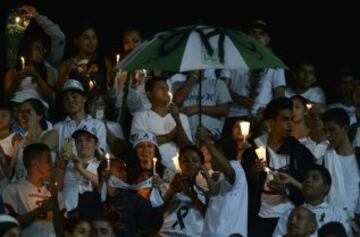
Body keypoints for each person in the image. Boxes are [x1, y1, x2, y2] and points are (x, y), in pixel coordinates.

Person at [241, 97, 314, 237]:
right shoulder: (253, 151)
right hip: (258, 218)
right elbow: (240, 186)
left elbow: (308, 189)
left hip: (289, 219)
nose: (290, 125)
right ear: (271, 122)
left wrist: (286, 190)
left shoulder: (300, 152)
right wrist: (252, 174)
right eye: (285, 120)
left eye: (292, 119)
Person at [220, 20, 286, 138]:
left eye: (262, 34)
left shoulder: (274, 62)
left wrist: (268, 112)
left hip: (262, 118)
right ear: (246, 37)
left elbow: (279, 94)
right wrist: (237, 98)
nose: (257, 36)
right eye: (253, 33)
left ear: (267, 39)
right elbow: (222, 87)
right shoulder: (232, 59)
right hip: (234, 115)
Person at [131, 76, 192, 170]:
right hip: (153, 168)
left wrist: (177, 120)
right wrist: (171, 136)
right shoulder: (141, 116)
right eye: (161, 88)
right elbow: (142, 145)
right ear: (149, 94)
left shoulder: (182, 117)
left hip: (178, 169)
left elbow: (188, 148)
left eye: (167, 88)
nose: (166, 91)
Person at [2, 143, 63, 237]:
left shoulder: (54, 192)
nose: (52, 165)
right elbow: (10, 227)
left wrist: (54, 201)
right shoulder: (13, 190)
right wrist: (40, 210)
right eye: (48, 161)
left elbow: (62, 231)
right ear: (35, 164)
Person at [197, 126, 248, 237]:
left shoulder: (235, 166)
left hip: (227, 233)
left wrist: (206, 140)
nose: (210, 158)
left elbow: (230, 172)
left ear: (220, 152)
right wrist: (207, 175)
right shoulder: (222, 175)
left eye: (212, 153)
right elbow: (215, 192)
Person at [273, 165, 352, 237]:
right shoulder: (290, 214)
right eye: (306, 178)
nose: (308, 180)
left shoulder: (337, 214)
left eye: (315, 178)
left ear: (326, 187)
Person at [98, 159, 163, 236]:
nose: (125, 173)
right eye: (120, 170)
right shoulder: (90, 198)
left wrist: (156, 193)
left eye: (125, 170)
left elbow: (153, 224)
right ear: (105, 173)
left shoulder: (133, 200)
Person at [319, 108, 360, 217]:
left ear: (345, 129)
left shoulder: (358, 157)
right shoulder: (323, 159)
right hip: (331, 219)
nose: (327, 135)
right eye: (325, 131)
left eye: (331, 130)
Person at [160, 145, 207, 236]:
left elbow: (211, 217)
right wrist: (170, 192)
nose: (190, 164)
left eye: (195, 160)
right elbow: (156, 214)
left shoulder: (207, 190)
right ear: (179, 163)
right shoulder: (167, 186)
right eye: (185, 160)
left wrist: (194, 197)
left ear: (201, 165)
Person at [54, 80, 107, 153]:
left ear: (84, 98)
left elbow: (101, 153)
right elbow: (63, 156)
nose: (70, 100)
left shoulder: (98, 125)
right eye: (66, 98)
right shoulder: (58, 127)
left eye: (75, 96)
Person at [58, 22, 111, 92]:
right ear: (76, 41)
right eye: (86, 38)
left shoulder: (105, 62)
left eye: (94, 37)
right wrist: (68, 73)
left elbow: (112, 89)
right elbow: (59, 93)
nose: (91, 42)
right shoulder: (67, 64)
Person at [62, 128, 101, 213]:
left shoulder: (102, 165)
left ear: (96, 144)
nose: (83, 143)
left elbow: (103, 185)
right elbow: (55, 186)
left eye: (88, 140)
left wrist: (81, 170)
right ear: (75, 145)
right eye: (79, 141)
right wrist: (63, 162)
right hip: (65, 211)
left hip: (89, 211)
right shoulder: (66, 165)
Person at [86, 89, 127, 156]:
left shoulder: (115, 126)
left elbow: (120, 152)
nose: (97, 107)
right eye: (94, 103)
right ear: (88, 105)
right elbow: (67, 151)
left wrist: (103, 126)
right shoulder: (78, 123)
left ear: (106, 107)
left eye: (101, 104)